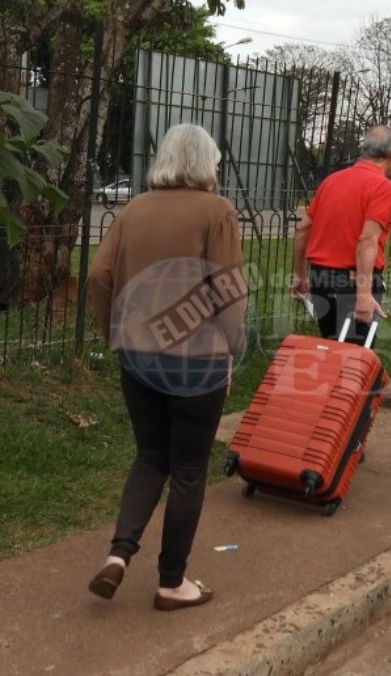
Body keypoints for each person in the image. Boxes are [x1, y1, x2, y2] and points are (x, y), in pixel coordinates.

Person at [86, 123, 247, 611]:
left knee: (150, 456)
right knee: (190, 469)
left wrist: (114, 333)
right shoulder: (217, 211)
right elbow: (228, 290)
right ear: (202, 163)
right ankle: (171, 582)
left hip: (137, 357)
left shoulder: (134, 209)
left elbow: (98, 274)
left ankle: (118, 555)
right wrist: (232, 349)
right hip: (195, 363)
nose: (219, 169)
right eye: (215, 161)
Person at [291, 125, 391, 346]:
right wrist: (363, 294)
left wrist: (300, 276)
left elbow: (302, 229)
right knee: (355, 360)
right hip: (352, 282)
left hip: (321, 279)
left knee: (331, 351)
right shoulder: (383, 187)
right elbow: (367, 240)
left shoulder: (332, 181)